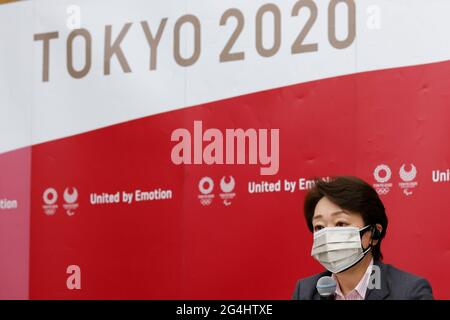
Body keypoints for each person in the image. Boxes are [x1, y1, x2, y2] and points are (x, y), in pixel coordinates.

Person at [292, 176, 433, 300]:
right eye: (320, 227)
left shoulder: (410, 292)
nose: (328, 236)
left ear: (373, 233)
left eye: (341, 223)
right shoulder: (305, 291)